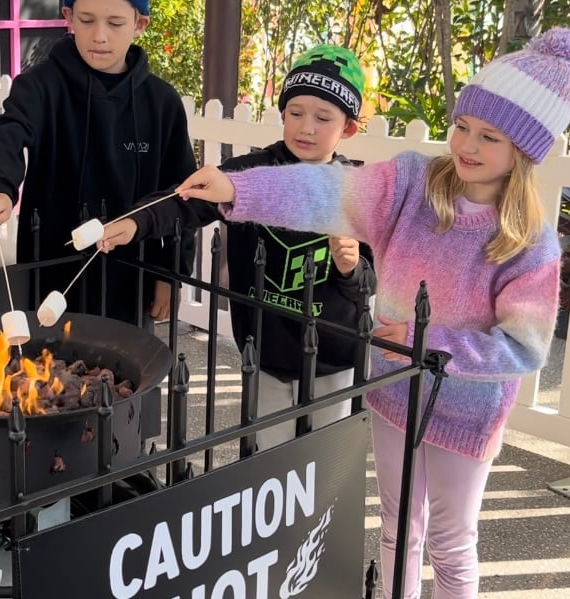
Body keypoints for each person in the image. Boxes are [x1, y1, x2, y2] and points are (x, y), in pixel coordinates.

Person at [168, 27, 570, 598]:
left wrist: (426, 342)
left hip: (466, 414)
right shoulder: (412, 182)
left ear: (526, 150)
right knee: (396, 530)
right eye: (462, 125)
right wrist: (237, 192)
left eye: (489, 136)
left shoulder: (529, 242)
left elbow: (524, 346)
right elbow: (326, 192)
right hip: (392, 394)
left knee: (451, 542)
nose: (466, 144)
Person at [99, 45, 376, 448]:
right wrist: (135, 222)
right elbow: (185, 201)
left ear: (348, 128)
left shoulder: (359, 190)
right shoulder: (249, 174)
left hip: (332, 362)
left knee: (325, 467)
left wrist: (350, 268)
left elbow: (367, 286)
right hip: (263, 357)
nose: (307, 128)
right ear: (282, 114)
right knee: (271, 467)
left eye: (323, 118)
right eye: (296, 113)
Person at [0, 0, 196, 326]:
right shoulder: (40, 86)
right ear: (68, 17)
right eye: (86, 20)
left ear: (140, 24)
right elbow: (6, 132)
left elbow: (181, 194)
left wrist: (170, 274)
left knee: (122, 379)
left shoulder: (162, 104)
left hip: (130, 280)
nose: (99, 36)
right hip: (49, 275)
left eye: (115, 23)